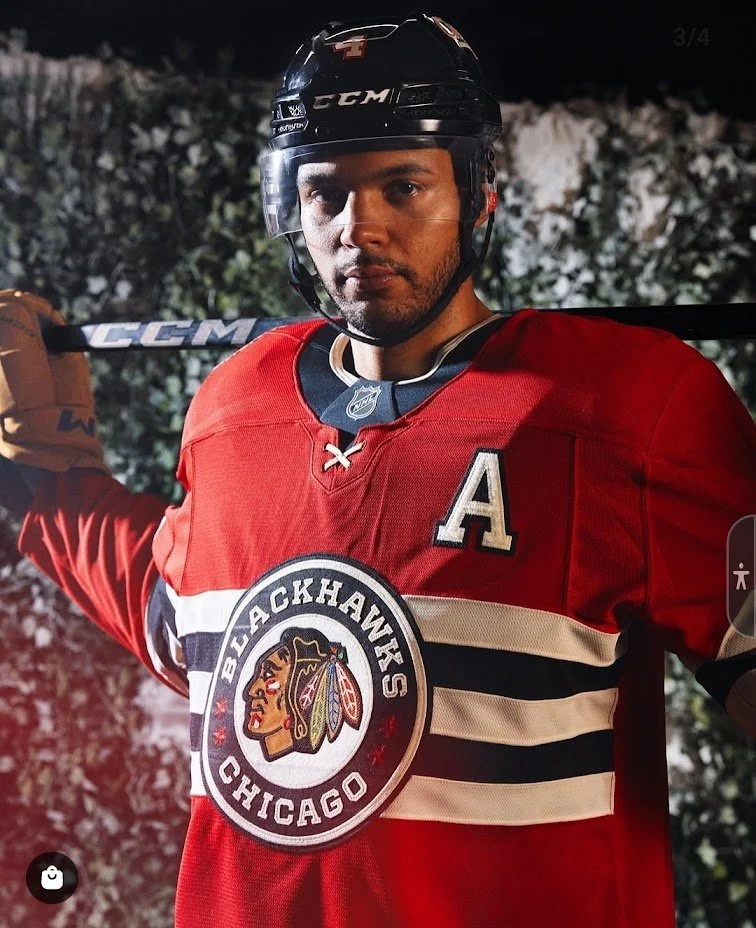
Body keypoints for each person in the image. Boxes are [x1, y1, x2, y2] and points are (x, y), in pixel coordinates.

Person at [1, 12, 755, 928]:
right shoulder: (235, 407)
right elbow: (181, 623)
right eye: (327, 194)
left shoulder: (623, 411)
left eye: (403, 186)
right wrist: (42, 484)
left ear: (479, 194)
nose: (360, 228)